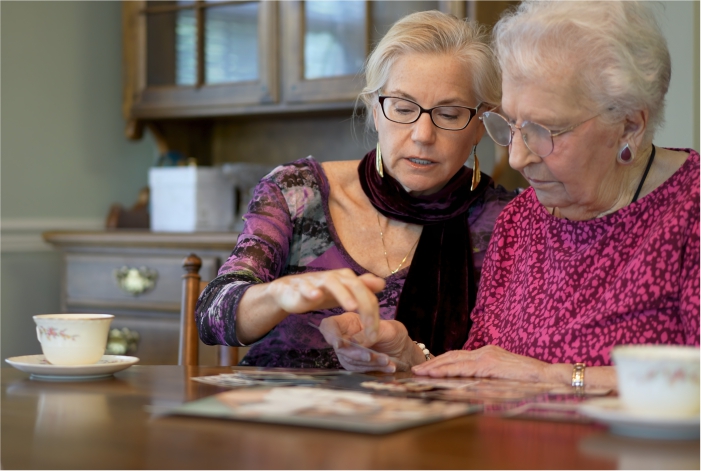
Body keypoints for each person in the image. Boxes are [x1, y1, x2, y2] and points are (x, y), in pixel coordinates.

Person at [324, 1, 700, 389]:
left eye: (545, 130)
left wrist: (552, 376)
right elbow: (489, 372)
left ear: (629, 126)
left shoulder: (691, 208)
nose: (518, 157)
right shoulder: (520, 219)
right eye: (512, 125)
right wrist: (410, 356)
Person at [195, 11, 515, 369]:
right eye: (403, 108)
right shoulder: (298, 192)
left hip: (425, 422)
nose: (423, 135)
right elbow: (212, 317)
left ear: (479, 124)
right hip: (281, 415)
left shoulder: (507, 221)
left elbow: (506, 368)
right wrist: (277, 294)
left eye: (450, 114)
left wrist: (415, 359)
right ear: (375, 111)